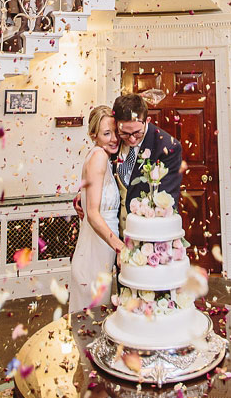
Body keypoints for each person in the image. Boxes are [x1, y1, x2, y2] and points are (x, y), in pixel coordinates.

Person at [69, 106, 123, 313]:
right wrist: (120, 247)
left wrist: (79, 200)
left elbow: (90, 197)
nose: (114, 139)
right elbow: (92, 213)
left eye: (115, 132)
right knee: (94, 315)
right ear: (94, 135)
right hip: (97, 248)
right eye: (106, 134)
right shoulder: (99, 156)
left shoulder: (102, 156)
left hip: (100, 246)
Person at [112, 93, 183, 217]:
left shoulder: (168, 147)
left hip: (147, 227)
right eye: (125, 133)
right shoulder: (113, 140)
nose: (132, 139)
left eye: (137, 133)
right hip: (115, 227)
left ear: (147, 121)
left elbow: (165, 200)